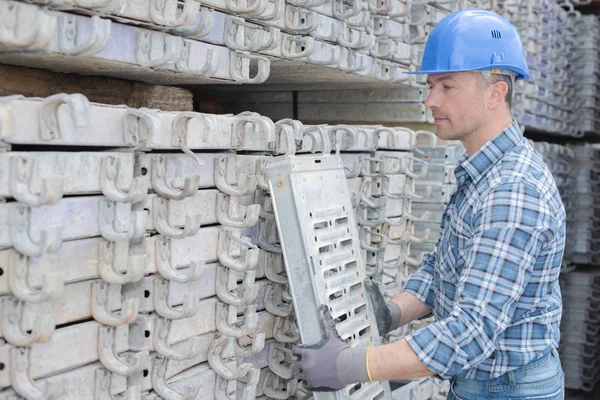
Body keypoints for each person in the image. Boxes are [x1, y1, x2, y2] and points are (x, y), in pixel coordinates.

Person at [293, 9, 566, 400]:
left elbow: (470, 333)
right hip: (486, 385)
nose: (430, 99)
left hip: (507, 391)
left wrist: (350, 365)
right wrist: (392, 313)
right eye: (431, 85)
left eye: (448, 87)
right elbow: (446, 271)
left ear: (495, 93)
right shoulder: (483, 172)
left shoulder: (512, 190)